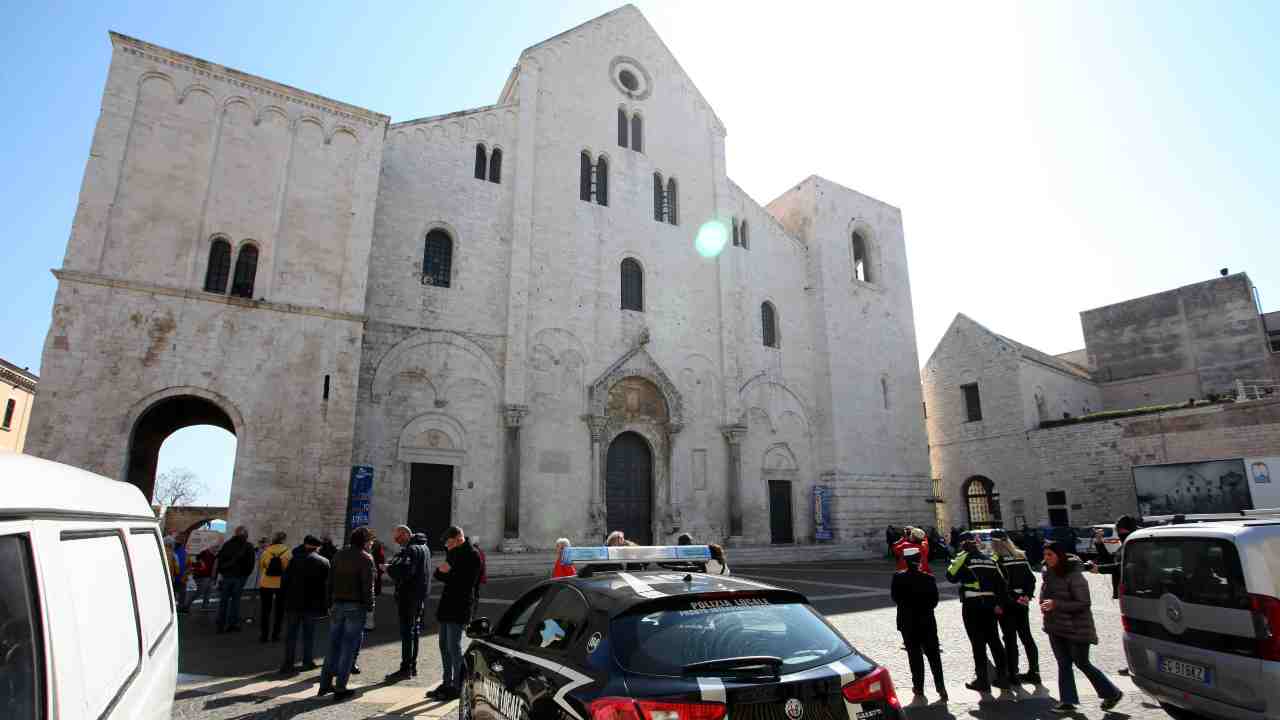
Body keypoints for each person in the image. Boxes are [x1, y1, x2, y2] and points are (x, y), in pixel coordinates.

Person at [1040, 541, 1123, 713]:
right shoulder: (1048, 574)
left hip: (1077, 627)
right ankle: (1067, 701)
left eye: (1050, 555)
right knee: (1063, 663)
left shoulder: (1074, 574)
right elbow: (1046, 596)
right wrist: (1045, 604)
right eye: (1045, 555)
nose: (1046, 558)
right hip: (1055, 625)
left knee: (1082, 662)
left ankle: (1112, 693)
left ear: (1060, 555)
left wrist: (1056, 604)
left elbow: (1084, 603)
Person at [946, 534, 1009, 694]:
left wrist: (960, 557)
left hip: (972, 604)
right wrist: (999, 604)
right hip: (990, 604)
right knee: (994, 640)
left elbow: (950, 576)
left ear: (964, 548)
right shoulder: (990, 560)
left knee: (977, 642)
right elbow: (1002, 584)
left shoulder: (964, 559)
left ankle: (982, 680)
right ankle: (1003, 677)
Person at [318, 527, 375, 702]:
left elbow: (330, 581)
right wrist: (370, 605)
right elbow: (367, 585)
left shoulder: (339, 555)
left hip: (337, 604)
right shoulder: (366, 558)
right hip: (355, 606)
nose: (371, 544)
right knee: (348, 648)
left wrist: (328, 602)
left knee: (333, 645)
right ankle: (341, 687)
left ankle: (325, 684)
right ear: (364, 542)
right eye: (370, 541)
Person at [428, 525, 482, 701]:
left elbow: (466, 583)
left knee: (454, 647)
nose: (447, 547)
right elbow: (439, 574)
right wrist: (445, 572)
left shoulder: (473, 555)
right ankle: (446, 682)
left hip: (460, 606)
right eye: (447, 545)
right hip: (446, 605)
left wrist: (447, 573)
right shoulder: (453, 552)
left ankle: (459, 685)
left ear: (459, 538)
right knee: (444, 646)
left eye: (450, 543)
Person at [891, 547, 946, 702]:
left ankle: (918, 687)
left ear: (905, 562)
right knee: (934, 655)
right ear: (919, 560)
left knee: (914, 656)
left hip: (907, 622)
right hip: (926, 621)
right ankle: (940, 686)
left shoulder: (898, 577)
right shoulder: (929, 578)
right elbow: (935, 601)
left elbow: (895, 598)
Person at [991, 530, 1040, 684]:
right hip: (1022, 602)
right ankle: (1034, 671)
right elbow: (1031, 579)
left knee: (1010, 638)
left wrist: (1006, 600)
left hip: (1007, 603)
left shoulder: (997, 560)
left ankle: (1013, 673)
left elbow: (1001, 585)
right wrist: (1026, 596)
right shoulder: (1021, 556)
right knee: (1026, 636)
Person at [384, 525, 432, 682]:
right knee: (414, 631)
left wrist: (389, 569)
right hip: (419, 596)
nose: (395, 540)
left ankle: (406, 668)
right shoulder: (424, 547)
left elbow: (405, 572)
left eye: (397, 537)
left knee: (407, 632)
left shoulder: (412, 550)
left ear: (406, 534)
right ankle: (412, 666)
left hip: (409, 596)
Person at [279, 535, 329, 675]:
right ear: (316, 547)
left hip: (293, 603)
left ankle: (288, 663)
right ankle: (307, 661)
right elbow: (326, 586)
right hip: (311, 604)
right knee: (309, 634)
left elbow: (285, 581)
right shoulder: (323, 562)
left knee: (291, 635)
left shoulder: (293, 560)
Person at [215, 526, 256, 633]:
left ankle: (221, 623)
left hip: (227, 576)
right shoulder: (248, 546)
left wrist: (223, 572)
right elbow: (250, 564)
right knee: (235, 601)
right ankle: (232, 623)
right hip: (239, 577)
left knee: (224, 600)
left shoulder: (227, 544)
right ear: (245, 535)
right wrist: (245, 574)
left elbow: (220, 559)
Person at [257, 532, 291, 643]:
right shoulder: (287, 552)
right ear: (284, 540)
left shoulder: (266, 552)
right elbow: (289, 569)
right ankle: (276, 635)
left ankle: (264, 635)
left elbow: (261, 567)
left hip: (266, 583)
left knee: (265, 610)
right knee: (279, 611)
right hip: (281, 584)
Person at [187, 545, 217, 612]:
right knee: (200, 592)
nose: (215, 548)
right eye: (214, 547)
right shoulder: (202, 553)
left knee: (208, 591)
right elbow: (198, 563)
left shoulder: (212, 555)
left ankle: (205, 606)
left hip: (209, 576)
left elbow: (213, 566)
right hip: (202, 576)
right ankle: (186, 605)